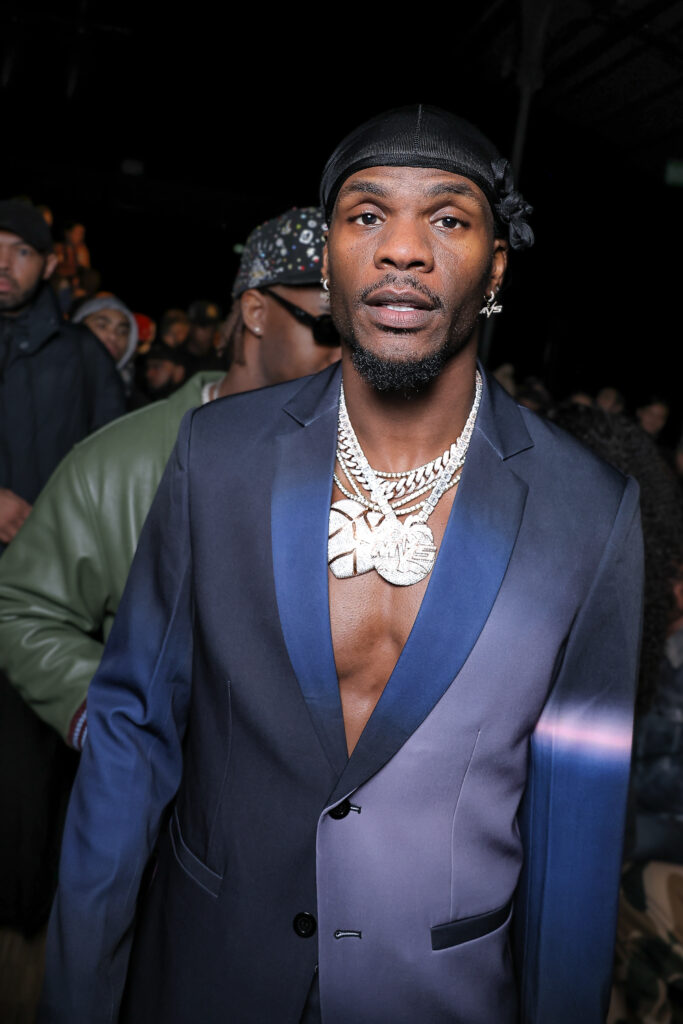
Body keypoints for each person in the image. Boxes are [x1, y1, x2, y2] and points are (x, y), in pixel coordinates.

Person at [41, 107, 643, 1024]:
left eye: (447, 217)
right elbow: (132, 737)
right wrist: (78, 993)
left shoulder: (589, 513)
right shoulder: (219, 456)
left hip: (436, 995)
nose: (402, 248)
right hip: (210, 974)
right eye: (366, 215)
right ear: (326, 259)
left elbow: (578, 825)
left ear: (495, 267)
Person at [0, 206, 338, 751]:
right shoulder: (119, 462)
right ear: (255, 311)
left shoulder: (371, 466)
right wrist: (114, 719)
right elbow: (23, 607)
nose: (348, 353)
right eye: (330, 327)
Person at [0, 199, 124, 551]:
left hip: (50, 559)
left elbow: (113, 461)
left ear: (50, 265)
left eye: (22, 251)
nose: (3, 263)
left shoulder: (84, 353)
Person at [72, 295, 139, 399]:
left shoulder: (131, 400)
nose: (113, 337)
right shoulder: (52, 375)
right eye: (102, 326)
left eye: (122, 332)